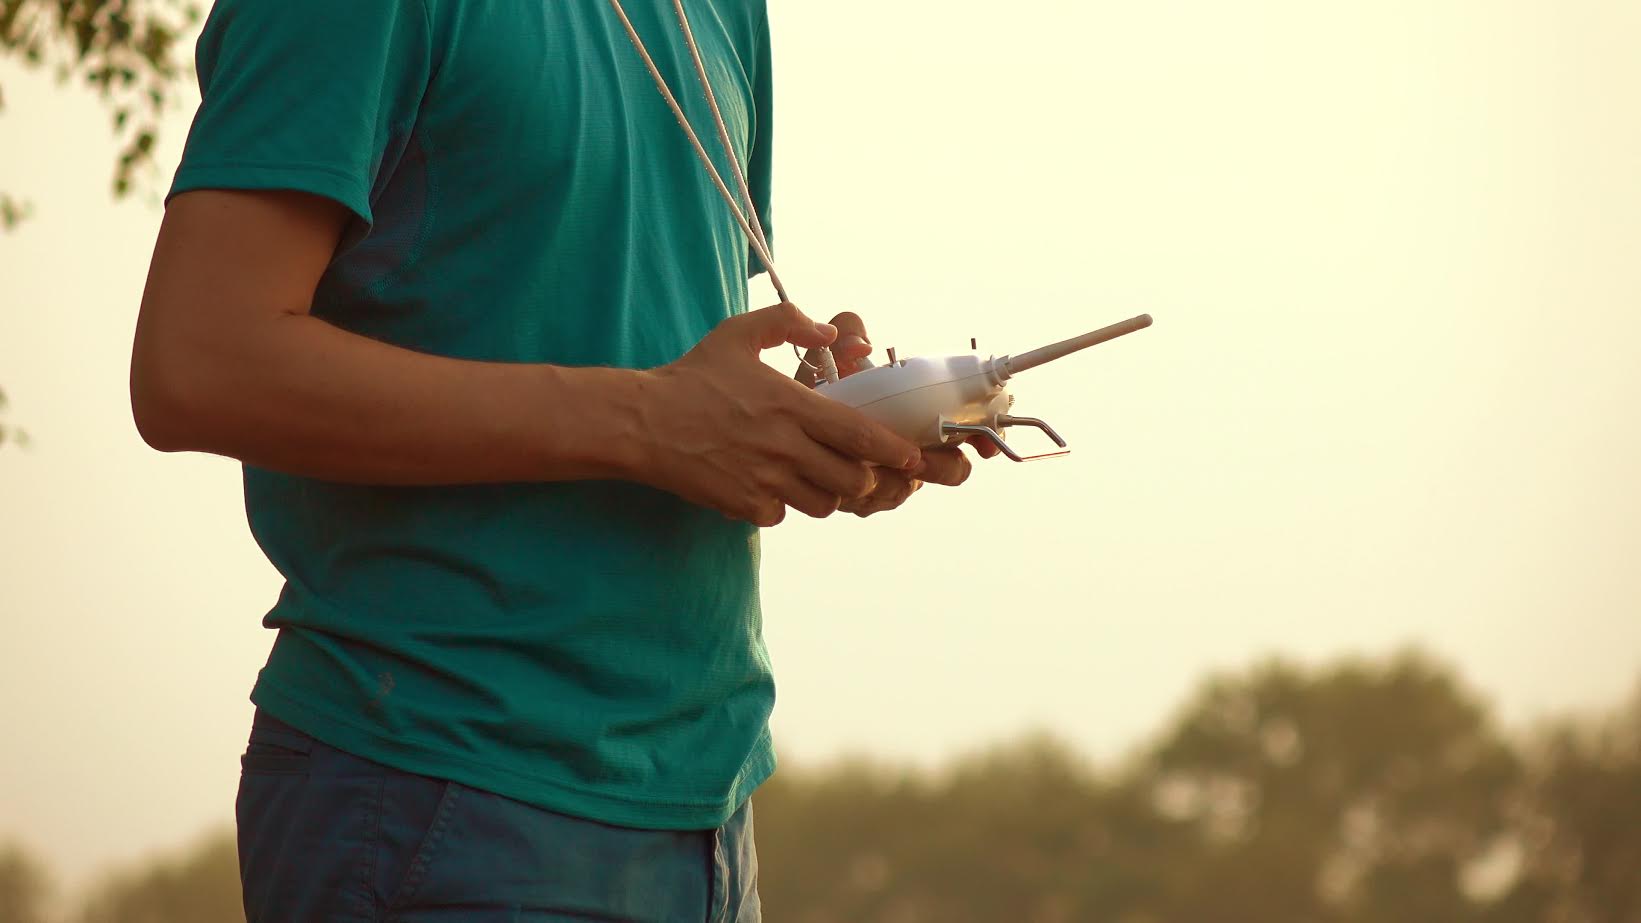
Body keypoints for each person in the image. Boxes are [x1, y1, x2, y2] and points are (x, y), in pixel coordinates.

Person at [129, 0, 990, 920]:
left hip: (710, 807)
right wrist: (645, 420)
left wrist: (815, 421)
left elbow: (648, 342)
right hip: (440, 785)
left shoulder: (727, 13)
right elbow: (198, 364)